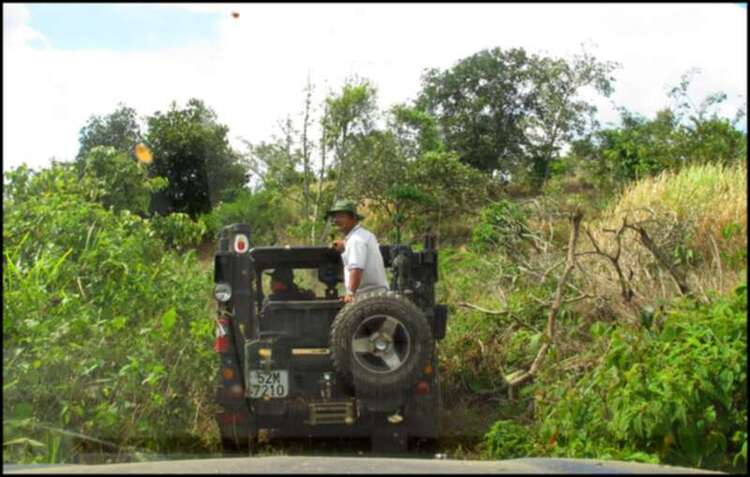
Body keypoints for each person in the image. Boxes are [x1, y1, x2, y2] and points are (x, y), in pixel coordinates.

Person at [327, 199, 389, 304]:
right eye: (335, 217)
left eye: (341, 216)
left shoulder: (356, 240)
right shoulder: (365, 235)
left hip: (368, 298)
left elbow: (356, 268)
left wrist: (350, 293)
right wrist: (345, 246)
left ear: (353, 218)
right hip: (375, 295)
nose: (336, 220)